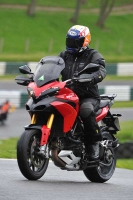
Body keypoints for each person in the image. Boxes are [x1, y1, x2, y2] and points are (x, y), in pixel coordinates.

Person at [58, 25, 106, 161]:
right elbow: (52, 69)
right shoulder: (63, 55)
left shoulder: (93, 55)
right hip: (66, 94)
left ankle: (93, 143)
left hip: (88, 96)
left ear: (85, 41)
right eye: (70, 41)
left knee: (86, 110)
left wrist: (91, 77)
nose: (71, 45)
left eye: (75, 42)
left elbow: (101, 70)